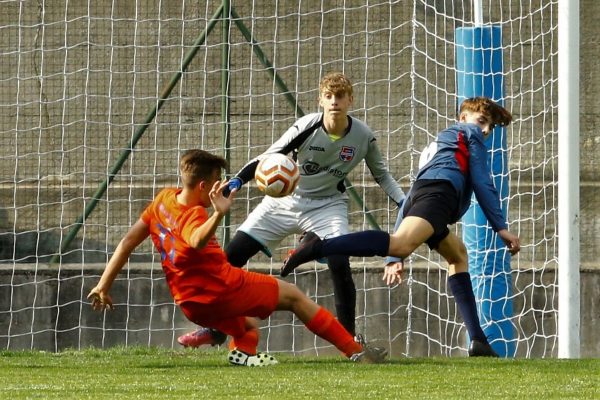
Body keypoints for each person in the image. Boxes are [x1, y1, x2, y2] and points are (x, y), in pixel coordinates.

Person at [87, 149, 387, 366]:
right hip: (223, 288)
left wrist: (103, 285)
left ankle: (240, 356)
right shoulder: (195, 215)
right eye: (217, 180)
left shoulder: (163, 200)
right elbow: (195, 239)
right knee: (295, 297)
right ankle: (356, 353)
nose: (221, 186)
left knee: (248, 329)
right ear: (204, 185)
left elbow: (127, 242)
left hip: (190, 303)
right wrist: (217, 213)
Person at [178, 72, 405, 348]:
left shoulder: (363, 136)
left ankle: (350, 340)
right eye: (329, 96)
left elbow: (382, 175)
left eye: (341, 96)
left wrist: (403, 201)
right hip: (283, 202)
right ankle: (215, 328)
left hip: (327, 205)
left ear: (351, 100)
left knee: (339, 262)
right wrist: (238, 180)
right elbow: (268, 157)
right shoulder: (307, 125)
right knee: (230, 257)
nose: (335, 101)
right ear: (320, 99)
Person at [281, 97, 521, 357]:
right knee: (401, 244)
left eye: (491, 127)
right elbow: (482, 181)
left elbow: (412, 197)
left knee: (457, 255)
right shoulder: (468, 133)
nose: (485, 130)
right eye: (482, 121)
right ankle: (318, 247)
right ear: (463, 119)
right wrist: (501, 227)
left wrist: (395, 258)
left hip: (427, 194)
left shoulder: (444, 141)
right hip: (440, 196)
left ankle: (478, 341)